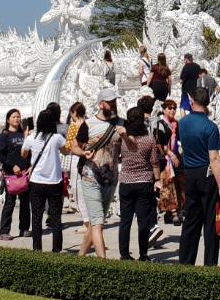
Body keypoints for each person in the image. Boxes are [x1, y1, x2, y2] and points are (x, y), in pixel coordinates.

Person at [177, 85, 220, 266]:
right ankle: (209, 263)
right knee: (210, 221)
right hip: (206, 174)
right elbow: (214, 158)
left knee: (190, 220)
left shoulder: (182, 123)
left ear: (192, 102)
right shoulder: (210, 126)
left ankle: (185, 261)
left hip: (190, 173)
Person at [69, 88, 123, 258]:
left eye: (114, 101)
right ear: (101, 104)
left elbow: (131, 146)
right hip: (91, 175)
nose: (113, 104)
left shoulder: (121, 123)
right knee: (99, 223)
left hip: (111, 178)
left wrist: (127, 137)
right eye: (109, 101)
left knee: (94, 222)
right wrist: (83, 153)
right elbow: (73, 146)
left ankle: (80, 257)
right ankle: (103, 267)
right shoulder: (88, 124)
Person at [115, 105, 161, 260]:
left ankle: (124, 253)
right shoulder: (149, 140)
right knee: (143, 220)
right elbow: (154, 162)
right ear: (143, 121)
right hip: (144, 182)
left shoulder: (123, 140)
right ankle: (143, 253)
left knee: (125, 221)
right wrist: (158, 181)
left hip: (126, 182)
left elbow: (118, 156)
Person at [22, 109, 67, 252]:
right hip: (54, 182)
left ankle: (37, 248)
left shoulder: (31, 138)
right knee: (55, 217)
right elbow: (66, 150)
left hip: (36, 182)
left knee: (36, 216)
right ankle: (56, 249)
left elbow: (23, 154)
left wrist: (26, 137)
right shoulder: (57, 138)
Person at [0, 108, 30, 240]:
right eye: (14, 117)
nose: (17, 119)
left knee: (26, 203)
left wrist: (29, 166)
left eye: (18, 117)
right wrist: (12, 166)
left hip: (24, 174)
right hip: (11, 174)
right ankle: (4, 231)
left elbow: (28, 152)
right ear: (8, 119)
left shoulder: (23, 135)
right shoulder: (4, 135)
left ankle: (24, 229)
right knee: (9, 203)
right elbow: (0, 155)